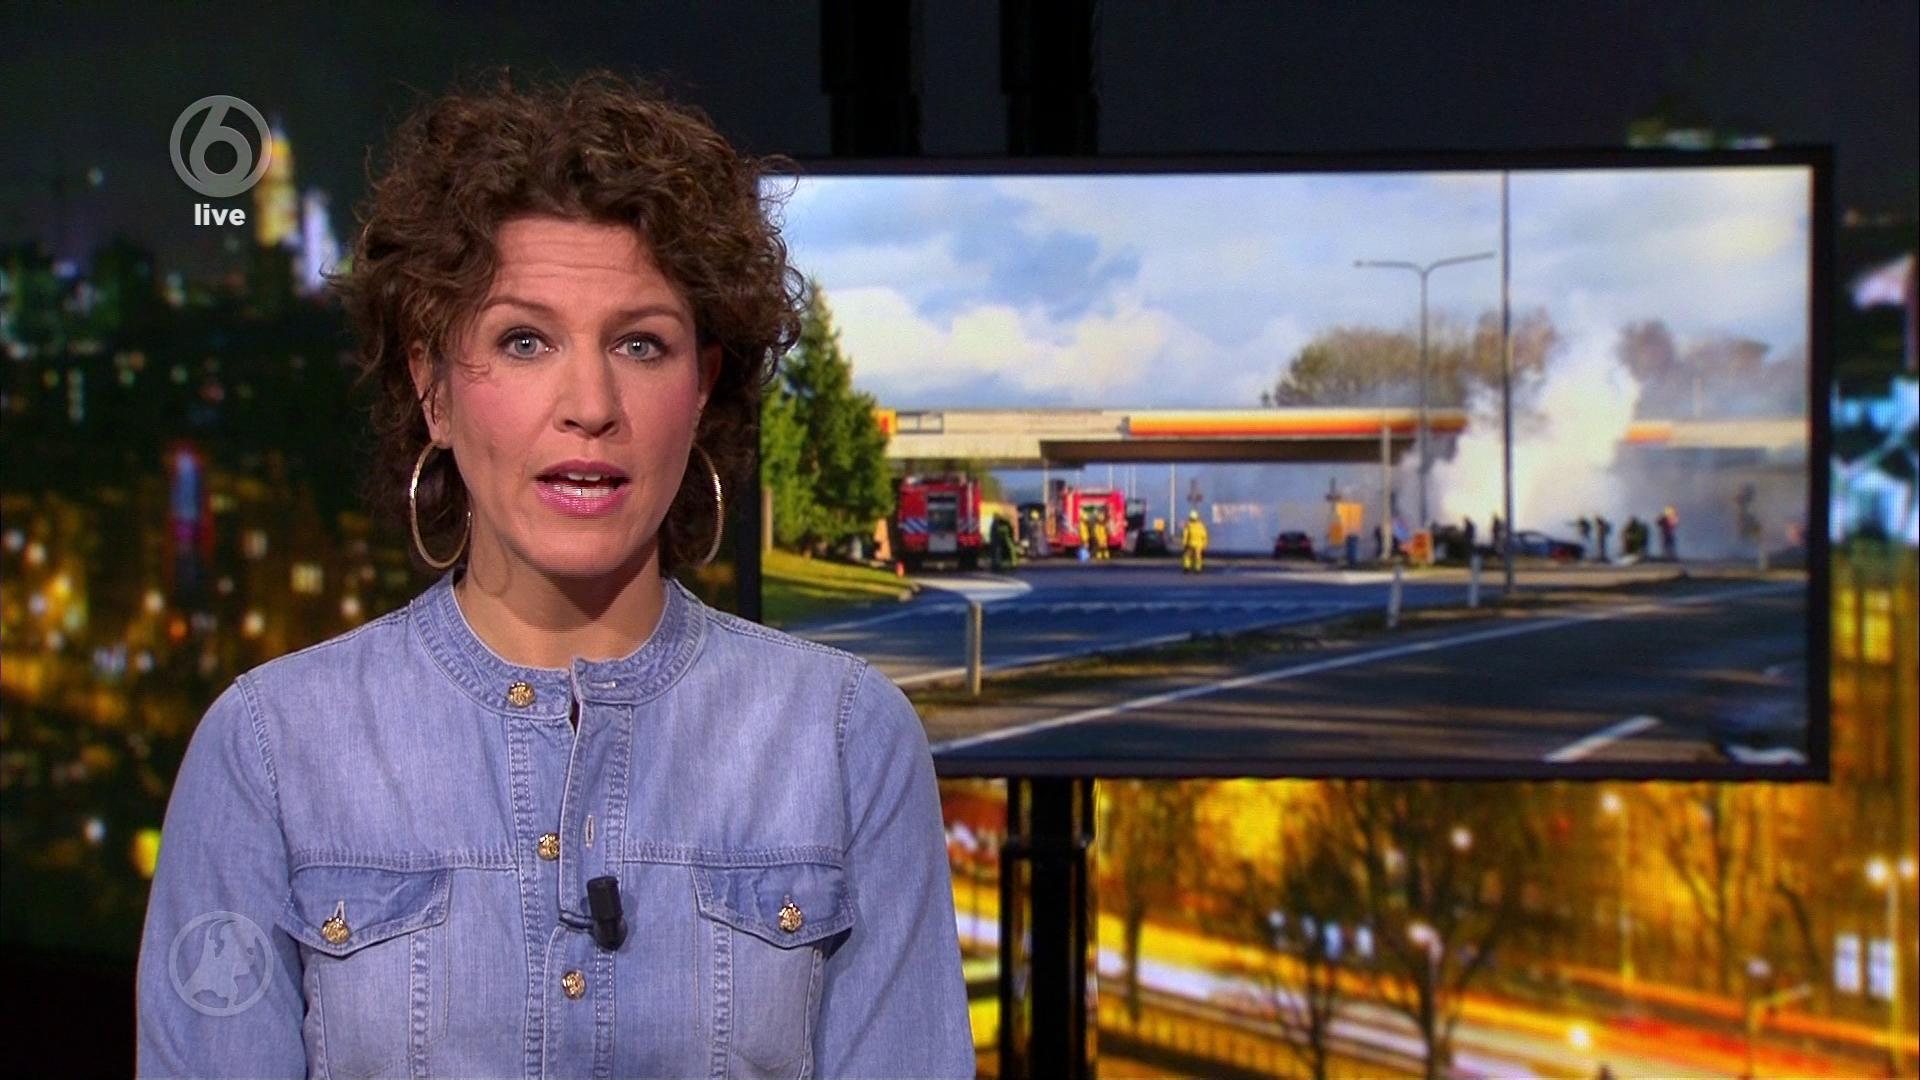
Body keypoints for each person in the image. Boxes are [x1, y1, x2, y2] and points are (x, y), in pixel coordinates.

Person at [135, 69, 974, 1080]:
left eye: (641, 343)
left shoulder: (845, 741)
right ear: (433, 387)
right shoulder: (270, 751)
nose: (590, 403)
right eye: (524, 340)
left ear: (702, 389)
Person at [1181, 508, 1210, 573]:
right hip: (1199, 544)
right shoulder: (1201, 526)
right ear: (1197, 517)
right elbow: (1205, 536)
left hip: (1190, 543)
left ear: (1190, 518)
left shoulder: (1188, 525)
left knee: (1187, 556)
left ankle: (1187, 567)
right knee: (1198, 557)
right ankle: (1198, 569)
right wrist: (1205, 544)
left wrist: (1184, 544)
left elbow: (1185, 535)